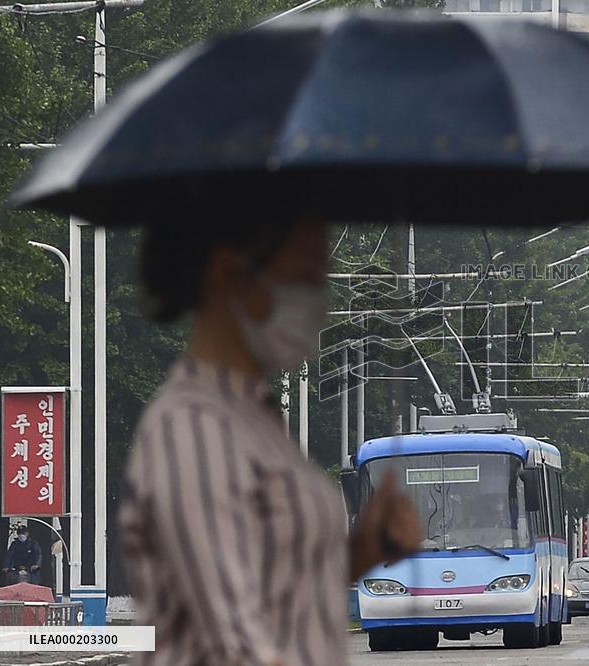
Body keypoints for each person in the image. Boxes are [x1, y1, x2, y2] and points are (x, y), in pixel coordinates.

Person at [119, 218, 421, 666]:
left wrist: (361, 553)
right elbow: (235, 644)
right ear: (227, 273)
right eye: (303, 278)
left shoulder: (248, 417)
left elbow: (271, 591)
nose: (318, 306)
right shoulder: (195, 431)